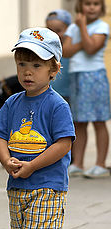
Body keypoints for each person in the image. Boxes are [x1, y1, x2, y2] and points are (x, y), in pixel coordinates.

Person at [0, 27, 75, 229]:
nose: (28, 71)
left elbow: (64, 144)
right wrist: (6, 161)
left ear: (53, 70)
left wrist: (33, 166)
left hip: (47, 187)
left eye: (37, 65)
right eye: (22, 64)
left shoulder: (57, 105)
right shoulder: (11, 103)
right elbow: (0, 136)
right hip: (17, 186)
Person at [63, 0, 111, 178]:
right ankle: (78, 163)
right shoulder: (72, 28)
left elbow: (91, 49)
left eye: (96, 4)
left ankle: (100, 164)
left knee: (98, 121)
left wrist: (82, 27)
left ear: (101, 8)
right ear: (80, 6)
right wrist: (84, 40)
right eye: (88, 3)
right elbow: (65, 51)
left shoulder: (102, 26)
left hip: (94, 77)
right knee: (78, 122)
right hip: (76, 77)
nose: (91, 7)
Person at [46, 9, 72, 103]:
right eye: (50, 30)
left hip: (68, 94)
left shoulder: (71, 49)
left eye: (58, 30)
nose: (54, 35)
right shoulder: (45, 50)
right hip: (49, 93)